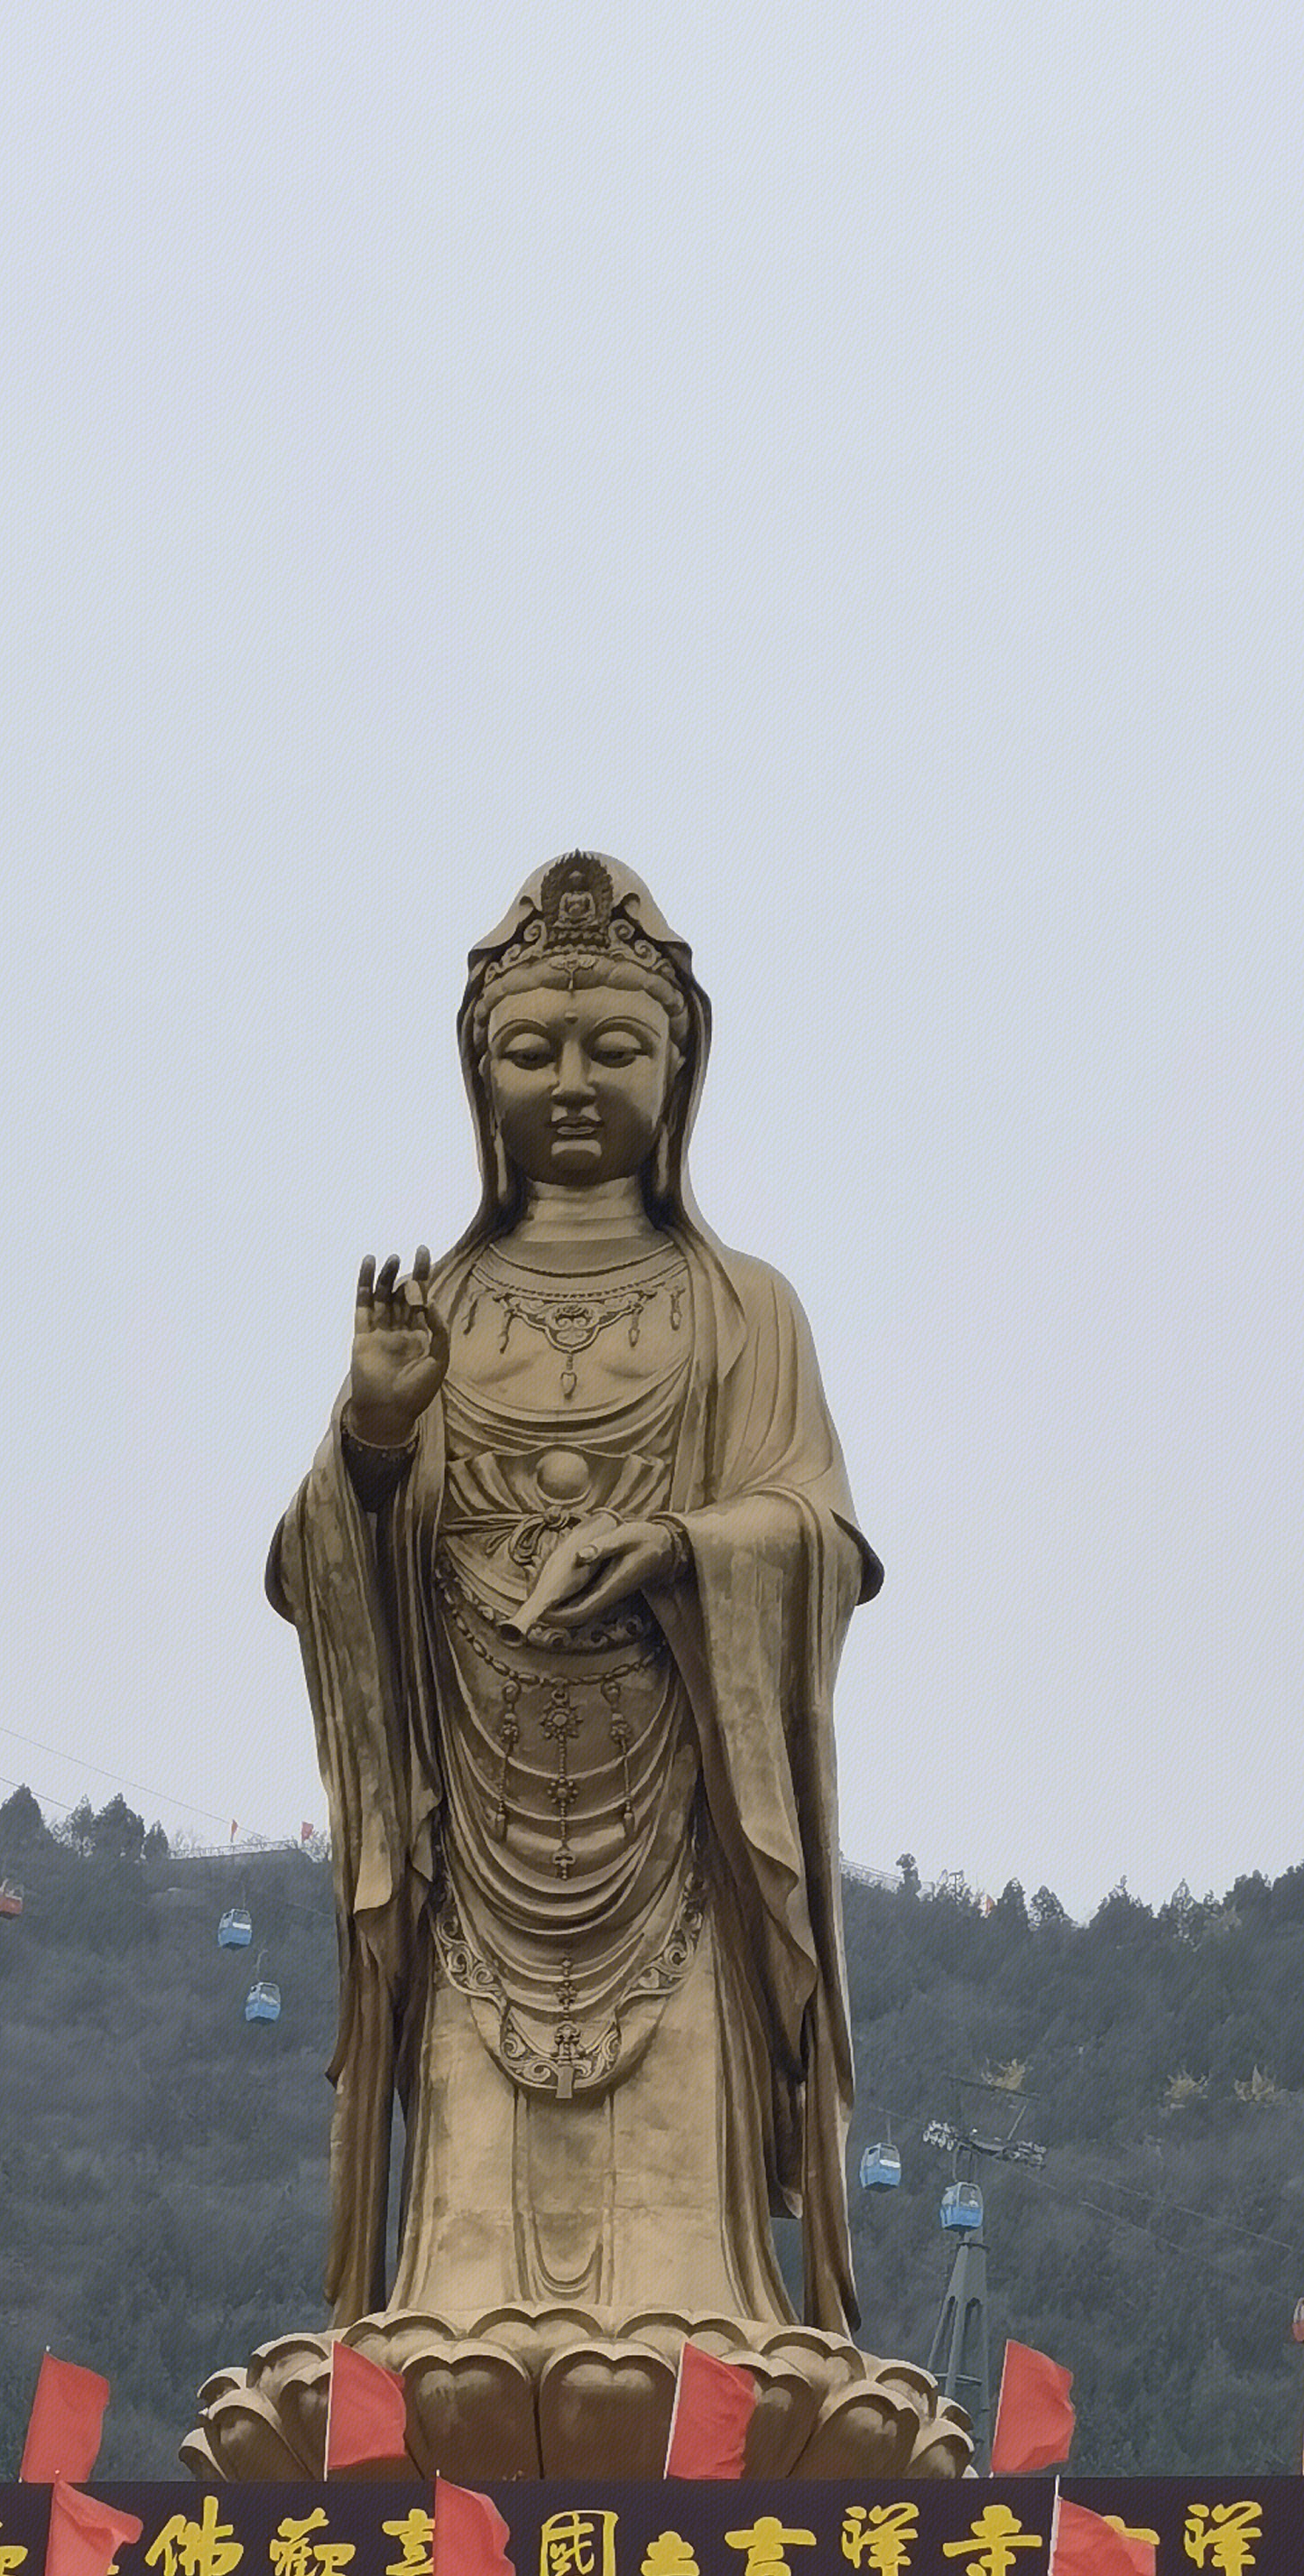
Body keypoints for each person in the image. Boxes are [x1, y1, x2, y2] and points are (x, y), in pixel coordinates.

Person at [271, 853, 881, 2346]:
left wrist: (683, 1546)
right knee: (461, 2296)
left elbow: (815, 1528)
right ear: (477, 1076)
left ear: (680, 1070)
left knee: (696, 2319)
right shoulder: (444, 1307)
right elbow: (317, 1568)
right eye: (529, 1049)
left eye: (615, 1048)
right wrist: (374, 1435)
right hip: (479, 1861)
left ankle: (713, 2336)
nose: (569, 1082)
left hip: (678, 1836)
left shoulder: (745, 1309)